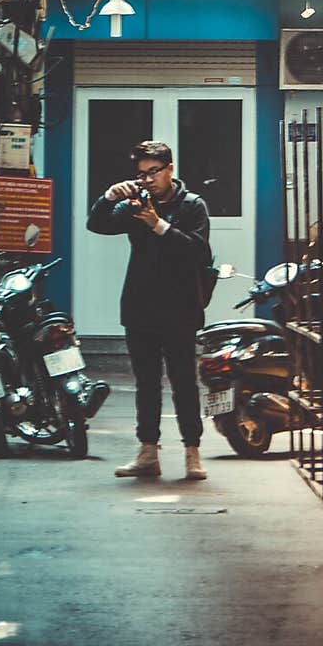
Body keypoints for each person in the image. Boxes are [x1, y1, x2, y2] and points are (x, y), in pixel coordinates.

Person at [87, 139, 212, 482]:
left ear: (170, 169)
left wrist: (159, 225)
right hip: (140, 306)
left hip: (181, 308)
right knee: (146, 383)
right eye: (141, 173)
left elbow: (198, 253)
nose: (147, 180)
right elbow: (97, 225)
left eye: (154, 172)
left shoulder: (192, 206)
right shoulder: (134, 203)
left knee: (184, 381)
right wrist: (109, 197)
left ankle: (192, 452)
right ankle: (147, 453)